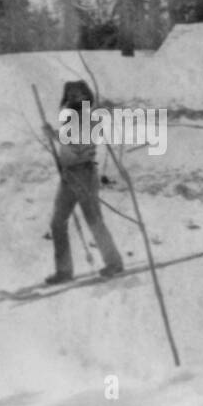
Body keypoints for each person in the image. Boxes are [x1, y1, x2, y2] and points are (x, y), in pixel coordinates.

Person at [45, 80, 124, 284]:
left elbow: (80, 144)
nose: (74, 97)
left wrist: (56, 136)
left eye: (78, 94)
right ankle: (64, 270)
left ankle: (114, 262)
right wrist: (54, 135)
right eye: (70, 94)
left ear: (86, 95)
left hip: (84, 174)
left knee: (93, 220)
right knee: (57, 222)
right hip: (68, 175)